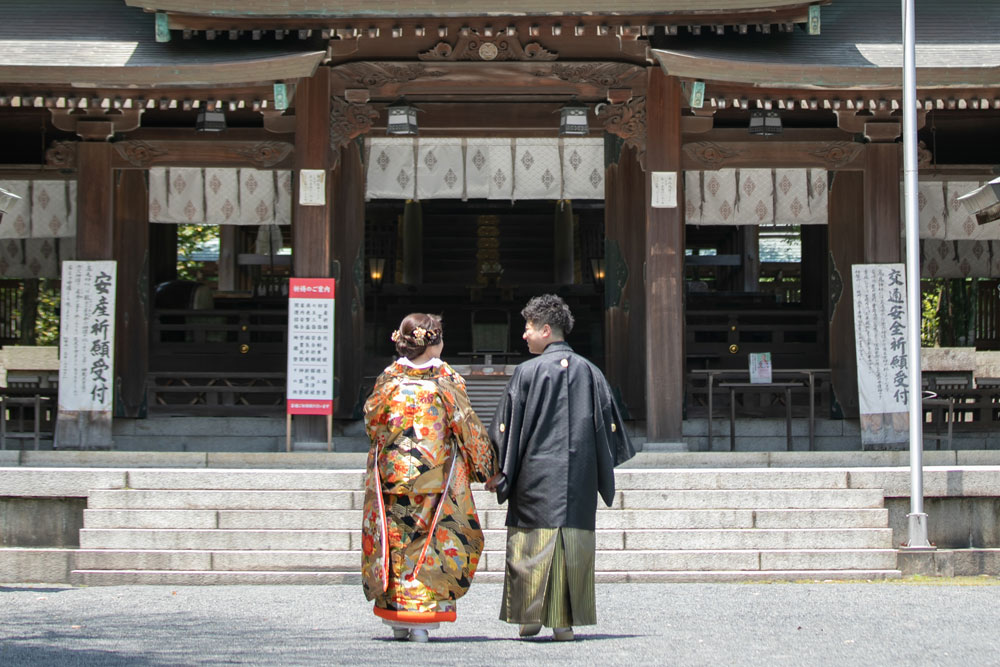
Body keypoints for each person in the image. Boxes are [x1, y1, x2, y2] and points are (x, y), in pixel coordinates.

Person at [486, 294, 635, 641]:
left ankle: (529, 617)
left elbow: (504, 429)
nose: (524, 335)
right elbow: (611, 430)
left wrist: (496, 469)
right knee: (572, 544)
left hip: (533, 476)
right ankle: (564, 622)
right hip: (579, 478)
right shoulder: (591, 372)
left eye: (528, 328)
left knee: (530, 545)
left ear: (546, 330)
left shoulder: (526, 373)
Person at [362, 313, 498, 642]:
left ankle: (395, 612)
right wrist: (487, 468)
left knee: (394, 542)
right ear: (433, 343)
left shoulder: (389, 377)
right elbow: (466, 424)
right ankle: (419, 616)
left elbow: (372, 422)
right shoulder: (444, 378)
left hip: (391, 474)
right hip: (432, 475)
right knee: (426, 543)